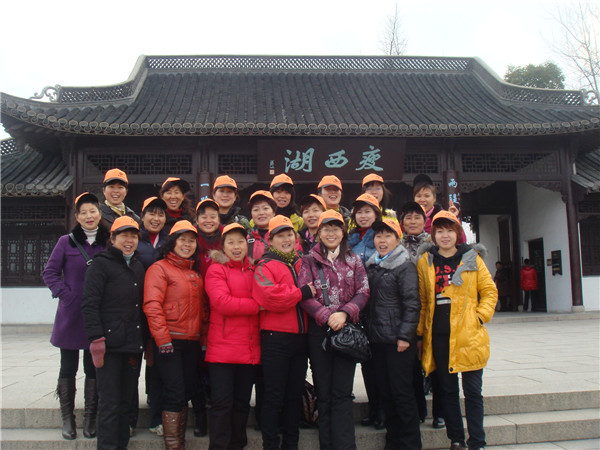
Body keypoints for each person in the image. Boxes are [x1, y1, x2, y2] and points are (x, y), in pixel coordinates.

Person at [417, 211, 497, 450]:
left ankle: (477, 441)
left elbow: (489, 291)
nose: (445, 236)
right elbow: (423, 300)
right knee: (447, 390)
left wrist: (479, 316)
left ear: (458, 234)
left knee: (473, 392)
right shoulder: (425, 261)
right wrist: (420, 333)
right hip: (439, 335)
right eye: (440, 231)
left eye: (450, 231)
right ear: (433, 235)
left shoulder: (472, 259)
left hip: (468, 334)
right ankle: (456, 439)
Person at [298, 209, 370, 450]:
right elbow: (304, 295)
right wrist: (326, 316)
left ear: (343, 232)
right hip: (320, 332)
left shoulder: (353, 260)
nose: (331, 233)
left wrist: (345, 313)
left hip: (346, 331)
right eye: (326, 229)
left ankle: (345, 445)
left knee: (342, 392)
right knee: (324, 392)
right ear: (318, 233)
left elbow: (363, 291)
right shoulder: (308, 260)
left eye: (336, 228)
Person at [42, 192, 109, 440]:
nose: (89, 216)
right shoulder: (65, 242)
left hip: (98, 315)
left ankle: (90, 417)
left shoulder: (108, 241)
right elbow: (49, 272)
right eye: (83, 212)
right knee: (68, 366)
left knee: (93, 366)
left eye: (93, 211)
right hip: (71, 314)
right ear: (77, 217)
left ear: (99, 213)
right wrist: (65, 295)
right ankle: (67, 418)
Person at [81, 216, 146, 450]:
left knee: (126, 402)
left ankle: (121, 445)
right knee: (109, 403)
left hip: (132, 344)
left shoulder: (138, 266)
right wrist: (95, 338)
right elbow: (89, 303)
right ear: (113, 238)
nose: (129, 241)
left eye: (133, 236)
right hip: (109, 345)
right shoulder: (101, 265)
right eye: (124, 236)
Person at [252, 215, 316, 450]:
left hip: (301, 338)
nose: (286, 239)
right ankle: (270, 445)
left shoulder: (303, 262)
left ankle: (291, 444)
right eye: (280, 236)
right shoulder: (264, 265)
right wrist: (301, 293)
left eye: (289, 234)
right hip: (275, 338)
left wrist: (299, 292)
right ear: (270, 240)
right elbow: (270, 297)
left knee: (294, 395)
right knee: (274, 395)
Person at [143, 220, 207, 449]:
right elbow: (152, 305)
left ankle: (178, 440)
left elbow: (203, 312)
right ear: (172, 243)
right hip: (169, 341)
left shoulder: (195, 274)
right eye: (182, 240)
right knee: (174, 392)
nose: (187, 244)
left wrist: (203, 340)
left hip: (191, 342)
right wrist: (162, 340)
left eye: (191, 241)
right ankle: (173, 445)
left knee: (187, 390)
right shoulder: (159, 268)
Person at [365, 218, 422, 450]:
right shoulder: (372, 266)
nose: (382, 240)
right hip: (377, 341)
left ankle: (410, 444)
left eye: (388, 235)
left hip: (398, 342)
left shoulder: (404, 266)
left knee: (402, 394)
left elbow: (412, 304)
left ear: (398, 239)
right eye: (378, 236)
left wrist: (405, 336)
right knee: (386, 393)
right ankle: (393, 441)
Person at [204, 223, 261, 450]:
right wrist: (257, 306)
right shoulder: (216, 270)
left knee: (241, 404)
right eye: (231, 242)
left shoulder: (255, 269)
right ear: (223, 246)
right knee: (222, 404)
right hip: (223, 350)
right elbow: (222, 302)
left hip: (249, 349)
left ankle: (238, 445)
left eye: (240, 242)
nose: (236, 247)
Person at [398, 201, 444, 429]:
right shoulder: (397, 245)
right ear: (402, 222)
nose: (413, 221)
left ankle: (440, 413)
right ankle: (418, 409)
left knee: (437, 362)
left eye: (417, 217)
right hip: (406, 312)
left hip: (431, 310)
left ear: (425, 220)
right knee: (412, 365)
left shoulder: (434, 244)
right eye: (408, 217)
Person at [347, 193, 384, 430]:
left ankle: (382, 410)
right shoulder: (350, 238)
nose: (363, 215)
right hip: (357, 308)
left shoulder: (381, 237)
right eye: (359, 212)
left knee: (379, 363)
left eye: (367, 211)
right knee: (366, 362)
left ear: (376, 214)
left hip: (377, 307)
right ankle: (373, 408)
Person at [136, 196, 168, 437]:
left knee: (157, 365)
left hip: (161, 311)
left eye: (160, 214)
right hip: (135, 311)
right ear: (142, 216)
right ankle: (129, 418)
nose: (156, 218)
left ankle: (157, 416)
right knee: (131, 366)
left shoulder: (169, 240)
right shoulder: (133, 239)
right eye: (151, 213)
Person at [195, 198, 223, 278]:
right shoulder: (190, 236)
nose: (208, 221)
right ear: (197, 220)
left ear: (218, 220)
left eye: (213, 217)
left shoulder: (226, 236)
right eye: (204, 217)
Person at [247, 190, 278, 261]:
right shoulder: (245, 240)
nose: (261, 213)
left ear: (274, 212)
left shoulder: (286, 236)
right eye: (256, 210)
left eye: (265, 208)